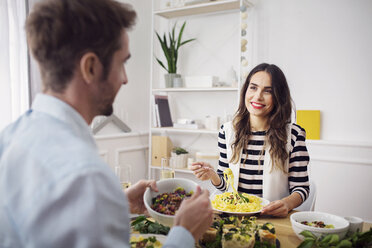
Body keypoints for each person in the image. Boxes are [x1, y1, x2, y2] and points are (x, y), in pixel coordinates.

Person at [0, 0, 213, 247]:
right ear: (90, 67)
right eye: (121, 62)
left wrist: (117, 204)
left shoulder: (8, 138)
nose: (125, 78)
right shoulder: (88, 179)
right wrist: (185, 234)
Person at [190, 63, 310, 217]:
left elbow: (301, 188)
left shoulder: (294, 135)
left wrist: (287, 203)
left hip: (271, 219)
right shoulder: (227, 131)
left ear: (279, 97)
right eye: (253, 88)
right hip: (233, 217)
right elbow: (225, 185)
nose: (258, 96)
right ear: (245, 90)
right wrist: (212, 175)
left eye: (268, 91)